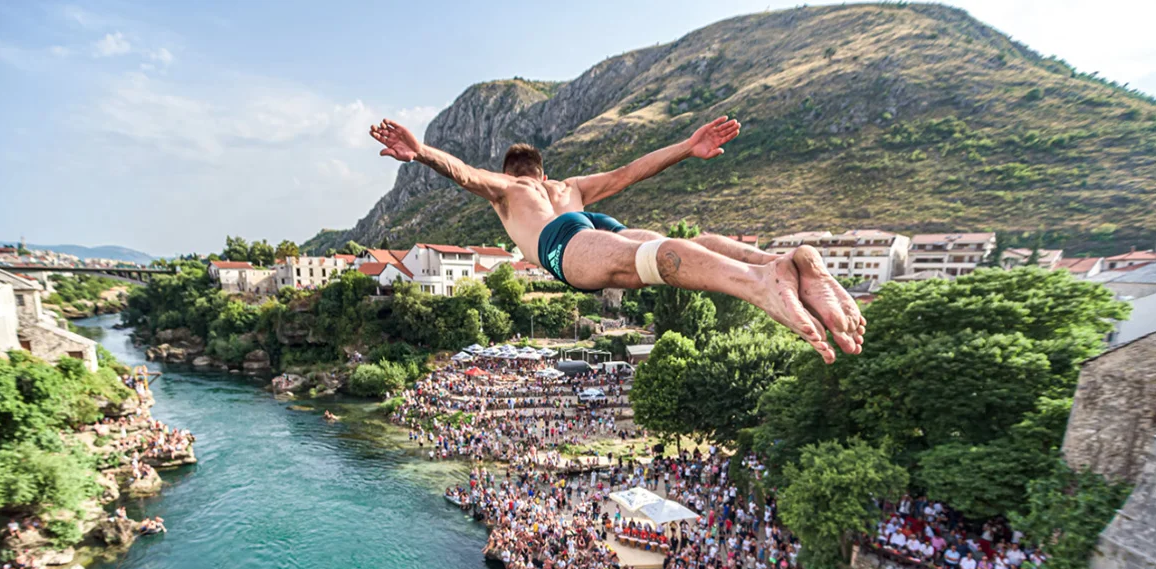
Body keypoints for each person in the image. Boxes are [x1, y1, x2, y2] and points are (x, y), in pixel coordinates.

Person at [370, 118, 865, 363]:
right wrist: (688, 148)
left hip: (561, 242)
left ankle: (759, 282)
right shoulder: (570, 187)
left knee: (649, 263)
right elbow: (632, 171)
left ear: (513, 172)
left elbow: (463, 174)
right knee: (678, 245)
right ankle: (780, 260)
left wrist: (421, 153)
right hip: (594, 219)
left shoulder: (509, 190)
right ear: (544, 169)